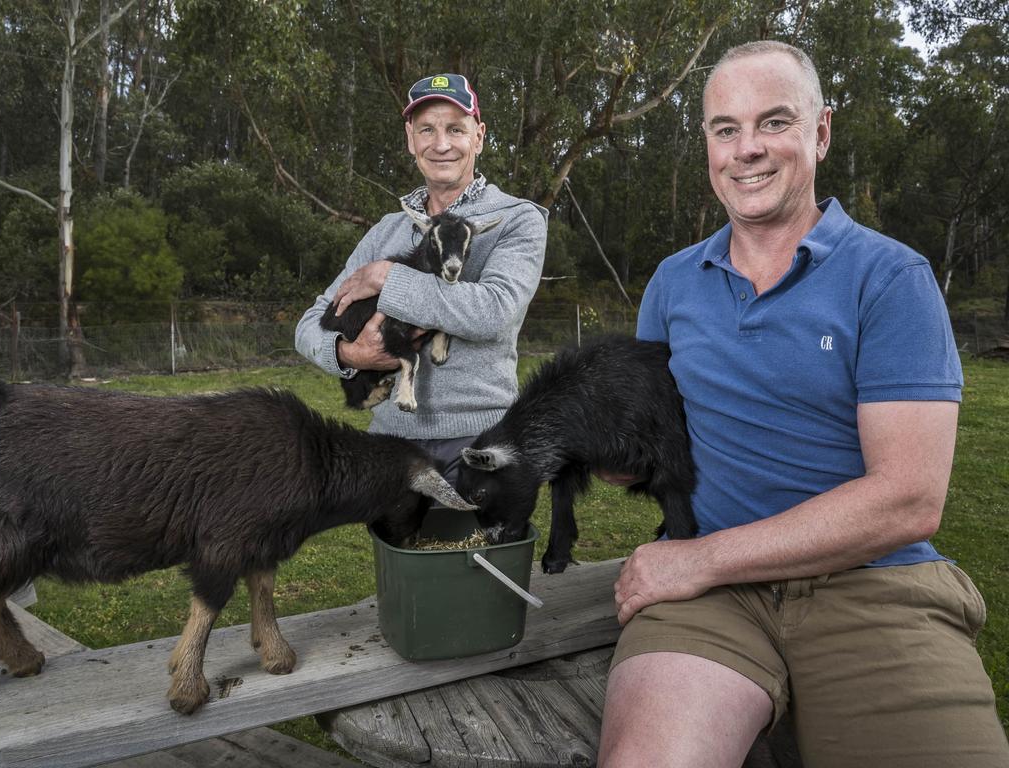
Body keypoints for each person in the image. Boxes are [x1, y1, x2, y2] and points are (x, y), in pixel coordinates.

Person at [597, 41, 1009, 767]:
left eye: (773, 122)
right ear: (707, 147)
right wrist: (598, 443)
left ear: (820, 133)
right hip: (711, 608)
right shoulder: (671, 283)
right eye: (725, 129)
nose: (746, 149)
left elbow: (909, 500)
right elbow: (648, 452)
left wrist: (700, 560)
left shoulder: (890, 279)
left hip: (876, 588)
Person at [295, 74, 547, 480]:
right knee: (396, 546)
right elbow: (309, 325)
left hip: (482, 443)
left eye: (455, 129)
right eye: (427, 129)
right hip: (389, 448)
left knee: (480, 546)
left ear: (478, 137)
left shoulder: (518, 219)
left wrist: (386, 278)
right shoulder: (387, 230)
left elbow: (492, 311)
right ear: (411, 140)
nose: (441, 144)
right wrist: (348, 354)